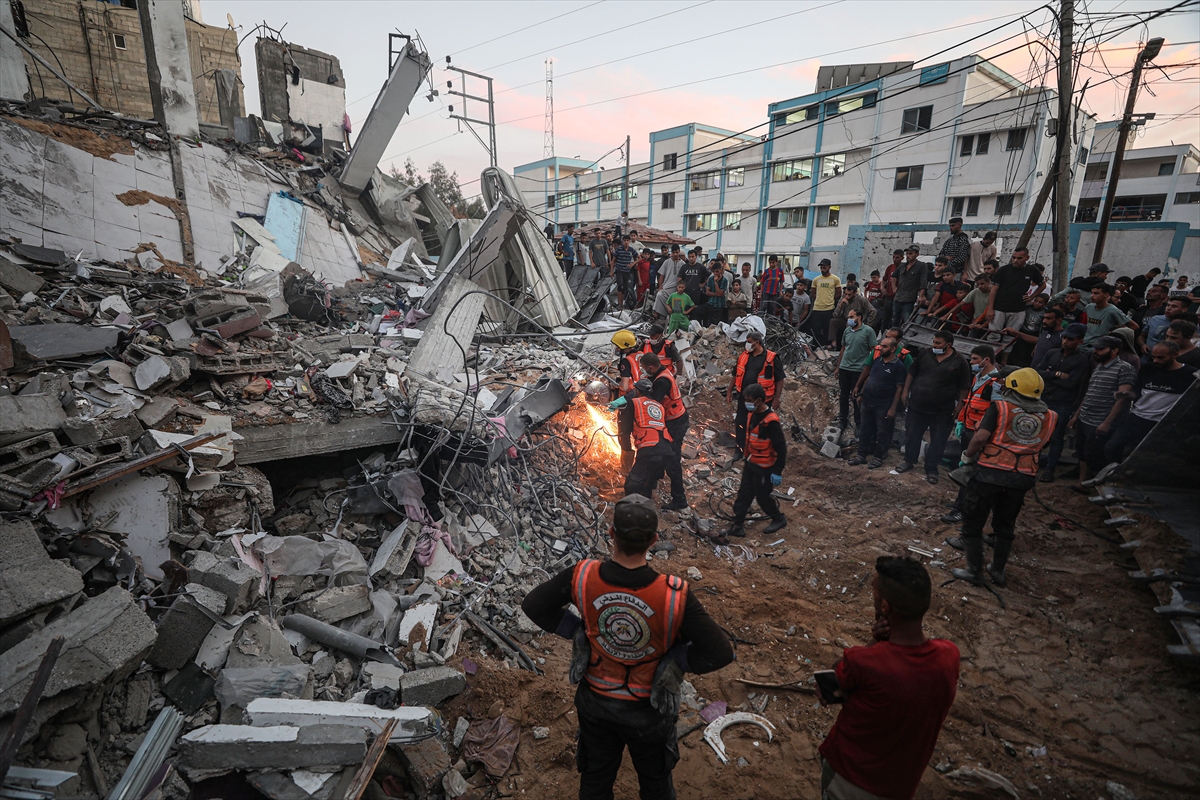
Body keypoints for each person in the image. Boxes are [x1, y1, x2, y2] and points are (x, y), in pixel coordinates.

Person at [520, 494, 735, 800]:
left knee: (595, 783)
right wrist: (676, 659)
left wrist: (579, 630)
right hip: (649, 713)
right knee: (656, 786)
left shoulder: (582, 577)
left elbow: (534, 606)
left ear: (611, 534)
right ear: (654, 540)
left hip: (595, 706)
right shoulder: (674, 595)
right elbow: (720, 652)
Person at [817, 557, 959, 800]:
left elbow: (833, 682)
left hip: (850, 777)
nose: (871, 591)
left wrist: (874, 643)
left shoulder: (864, 661)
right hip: (901, 784)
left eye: (873, 588)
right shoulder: (949, 655)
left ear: (884, 607)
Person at [951, 368, 1057, 587]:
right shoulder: (1050, 416)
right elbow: (1044, 444)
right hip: (1021, 478)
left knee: (973, 523)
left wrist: (967, 456)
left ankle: (974, 571)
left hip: (989, 473)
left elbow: (980, 438)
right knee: (1006, 525)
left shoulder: (1000, 407)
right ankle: (998, 571)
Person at [895, 331, 971, 484]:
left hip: (942, 410)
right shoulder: (925, 354)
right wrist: (905, 391)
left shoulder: (959, 361)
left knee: (938, 440)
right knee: (912, 435)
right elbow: (911, 374)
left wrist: (960, 406)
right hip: (918, 405)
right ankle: (909, 461)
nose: (934, 345)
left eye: (938, 343)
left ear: (948, 345)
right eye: (934, 342)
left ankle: (931, 469)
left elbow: (964, 387)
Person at [1103, 341, 1193, 463]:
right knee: (1111, 448)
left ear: (1175, 355)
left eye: (1161, 358)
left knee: (1145, 457)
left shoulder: (1189, 374)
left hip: (1160, 424)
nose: (1156, 361)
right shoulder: (1148, 368)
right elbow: (1138, 392)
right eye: (1153, 357)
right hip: (1136, 418)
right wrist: (1128, 395)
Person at [720, 383, 787, 540]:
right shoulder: (752, 414)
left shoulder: (771, 421)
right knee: (744, 494)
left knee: (762, 497)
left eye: (749, 400)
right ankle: (737, 525)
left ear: (758, 400)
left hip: (765, 467)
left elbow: (781, 448)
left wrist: (777, 471)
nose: (746, 403)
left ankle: (778, 518)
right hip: (751, 463)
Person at [940, 344, 999, 524]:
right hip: (968, 428)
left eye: (974, 359)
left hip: (979, 433)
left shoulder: (995, 382)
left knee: (972, 473)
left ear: (986, 360)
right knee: (966, 470)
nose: (971, 362)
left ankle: (962, 510)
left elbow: (996, 410)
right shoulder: (979, 378)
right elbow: (971, 401)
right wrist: (961, 422)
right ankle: (960, 502)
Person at [1071, 335, 1137, 483]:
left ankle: (1102, 485)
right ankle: (1083, 483)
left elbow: (1122, 399)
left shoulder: (1124, 368)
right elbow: (1090, 393)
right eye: (1096, 348)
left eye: (1101, 349)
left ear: (1114, 351)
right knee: (1082, 452)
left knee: (1095, 455)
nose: (1096, 351)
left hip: (1100, 420)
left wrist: (1107, 422)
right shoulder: (1099, 367)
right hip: (1085, 418)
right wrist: (1077, 415)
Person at [1034, 323, 1090, 482]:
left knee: (1057, 437)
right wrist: (1058, 374)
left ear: (1080, 341)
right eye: (1064, 337)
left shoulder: (1081, 360)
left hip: (1063, 403)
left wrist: (1050, 375)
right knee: (1038, 433)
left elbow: (1072, 383)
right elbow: (1039, 372)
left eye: (1070, 339)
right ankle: (1034, 463)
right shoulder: (1052, 353)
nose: (1065, 341)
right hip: (1044, 399)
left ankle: (1050, 469)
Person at [613, 378, 682, 501]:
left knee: (631, 485)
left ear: (637, 391)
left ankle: (632, 512)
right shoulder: (659, 406)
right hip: (667, 450)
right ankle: (646, 508)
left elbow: (625, 432)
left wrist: (626, 455)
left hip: (650, 450)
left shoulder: (634, 403)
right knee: (648, 482)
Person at [640, 353, 689, 511]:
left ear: (650, 367)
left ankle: (680, 500)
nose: (644, 371)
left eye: (644, 369)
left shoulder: (662, 381)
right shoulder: (662, 372)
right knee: (661, 452)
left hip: (675, 422)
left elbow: (653, 402)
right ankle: (654, 479)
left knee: (672, 460)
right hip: (672, 420)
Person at [850, 336, 907, 469]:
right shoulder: (877, 361)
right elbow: (870, 378)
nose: (881, 348)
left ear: (893, 349)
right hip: (868, 401)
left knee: (883, 431)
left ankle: (878, 457)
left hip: (884, 404)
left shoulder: (898, 367)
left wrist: (893, 408)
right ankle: (861, 455)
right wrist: (862, 393)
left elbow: (899, 388)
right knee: (865, 429)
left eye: (885, 346)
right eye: (881, 345)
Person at [727, 331, 784, 454]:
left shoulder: (771, 358)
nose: (746, 345)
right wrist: (729, 391)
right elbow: (735, 374)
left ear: (756, 343)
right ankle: (740, 450)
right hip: (744, 397)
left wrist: (777, 398)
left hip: (762, 399)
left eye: (748, 342)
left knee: (760, 425)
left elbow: (779, 379)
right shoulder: (744, 356)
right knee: (741, 422)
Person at [983, 247, 1044, 332]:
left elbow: (1042, 285)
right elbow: (993, 290)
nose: (1015, 260)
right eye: (1014, 257)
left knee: (1011, 335)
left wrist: (1031, 297)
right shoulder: (1004, 270)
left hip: (1018, 309)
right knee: (993, 333)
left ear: (1027, 258)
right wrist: (990, 309)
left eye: (1019, 258)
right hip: (999, 308)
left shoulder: (1032, 270)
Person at [836, 309, 877, 433]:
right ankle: (842, 420)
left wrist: (870, 370)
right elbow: (843, 349)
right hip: (845, 368)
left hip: (858, 370)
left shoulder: (868, 331)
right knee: (843, 396)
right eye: (848, 317)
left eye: (851, 317)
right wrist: (838, 366)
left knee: (857, 397)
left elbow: (873, 351)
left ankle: (858, 423)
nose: (849, 319)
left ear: (859, 317)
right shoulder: (847, 331)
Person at [1082, 283, 1136, 350]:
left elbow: (1134, 326)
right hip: (1084, 344)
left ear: (1106, 295)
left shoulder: (1113, 310)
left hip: (1099, 346)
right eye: (1092, 293)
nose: (1092, 296)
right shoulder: (1089, 307)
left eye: (1096, 293)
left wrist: (1114, 333)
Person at [1001, 294, 1049, 367]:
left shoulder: (1045, 313)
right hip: (1022, 331)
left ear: (1045, 304)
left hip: (1033, 334)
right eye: (1036, 301)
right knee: (1018, 351)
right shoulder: (1027, 308)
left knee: (1028, 353)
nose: (1036, 304)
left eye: (1040, 302)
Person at [892, 246, 929, 326]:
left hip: (910, 298)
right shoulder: (902, 266)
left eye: (911, 253)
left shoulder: (921, 266)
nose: (908, 255)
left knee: (907, 320)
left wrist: (921, 296)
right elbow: (893, 276)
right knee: (895, 319)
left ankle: (904, 337)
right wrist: (894, 288)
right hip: (898, 297)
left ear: (917, 254)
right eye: (907, 253)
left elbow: (923, 282)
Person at [830, 283, 875, 348]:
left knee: (849, 325)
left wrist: (868, 325)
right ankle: (834, 344)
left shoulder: (861, 299)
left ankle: (848, 345)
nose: (847, 296)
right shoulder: (843, 299)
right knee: (833, 321)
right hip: (845, 320)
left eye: (849, 295)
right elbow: (836, 315)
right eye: (846, 294)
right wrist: (841, 305)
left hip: (858, 321)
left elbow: (873, 311)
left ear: (854, 294)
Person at [810, 259, 843, 348]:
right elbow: (813, 293)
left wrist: (830, 300)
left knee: (827, 329)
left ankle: (826, 346)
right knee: (816, 329)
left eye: (824, 267)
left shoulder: (835, 279)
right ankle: (816, 346)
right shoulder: (816, 280)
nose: (822, 269)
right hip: (817, 308)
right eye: (821, 268)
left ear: (829, 267)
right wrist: (819, 299)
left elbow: (839, 293)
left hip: (829, 308)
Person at [610, 235, 638, 309]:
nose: (626, 242)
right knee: (620, 286)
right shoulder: (619, 250)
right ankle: (620, 304)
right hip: (619, 270)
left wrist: (633, 264)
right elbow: (613, 261)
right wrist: (611, 271)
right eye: (624, 240)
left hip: (627, 271)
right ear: (623, 241)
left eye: (627, 240)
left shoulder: (631, 250)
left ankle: (622, 304)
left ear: (629, 241)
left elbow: (639, 258)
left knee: (625, 288)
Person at [612, 329, 643, 393]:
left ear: (625, 347)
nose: (616, 349)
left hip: (631, 393)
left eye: (617, 347)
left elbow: (624, 387)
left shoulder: (626, 361)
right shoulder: (641, 354)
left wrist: (616, 385)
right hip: (642, 388)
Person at [880, 250, 903, 331]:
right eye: (893, 257)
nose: (895, 259)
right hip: (888, 297)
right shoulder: (890, 267)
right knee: (885, 319)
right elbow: (884, 280)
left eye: (897, 257)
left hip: (898, 298)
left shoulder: (904, 268)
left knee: (895, 320)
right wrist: (882, 288)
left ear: (902, 258)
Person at [703, 260, 730, 327]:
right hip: (711, 303)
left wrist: (716, 283)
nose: (715, 273)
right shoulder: (710, 278)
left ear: (721, 270)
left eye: (717, 271)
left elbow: (720, 292)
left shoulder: (724, 280)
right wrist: (717, 294)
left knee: (716, 324)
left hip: (719, 306)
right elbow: (707, 292)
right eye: (713, 271)